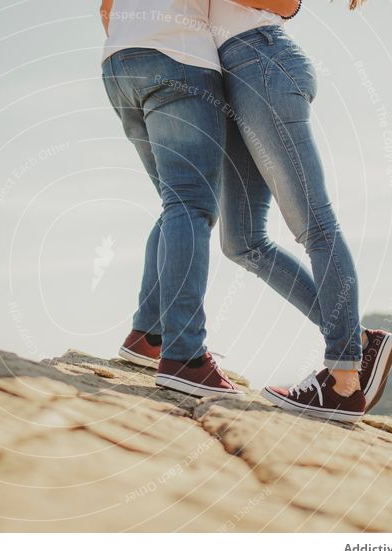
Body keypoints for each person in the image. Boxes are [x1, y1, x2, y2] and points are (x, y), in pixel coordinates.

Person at [210, 0, 392, 421]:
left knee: (314, 224)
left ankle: (343, 382)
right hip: (227, 80)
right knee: (241, 242)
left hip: (259, 59)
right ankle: (360, 340)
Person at [100, 0, 243, 397]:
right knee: (190, 205)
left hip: (119, 62)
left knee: (175, 201)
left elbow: (107, 9)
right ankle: (185, 356)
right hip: (179, 58)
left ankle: (148, 335)